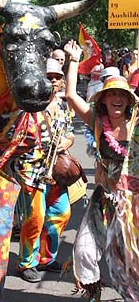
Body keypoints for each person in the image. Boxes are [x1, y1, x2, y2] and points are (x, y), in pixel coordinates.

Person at [64, 39, 138, 302]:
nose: (117, 98)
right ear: (104, 99)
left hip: (133, 206)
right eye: (112, 94)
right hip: (103, 201)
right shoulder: (97, 122)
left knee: (131, 264)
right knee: (84, 251)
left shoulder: (137, 124)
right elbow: (71, 96)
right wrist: (73, 60)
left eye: (121, 95)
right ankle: (93, 293)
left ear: (128, 100)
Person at [15, 58, 74, 283]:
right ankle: (26, 263)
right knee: (35, 218)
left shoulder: (62, 105)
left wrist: (67, 143)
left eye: (57, 77)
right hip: (31, 170)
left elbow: (69, 132)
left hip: (55, 170)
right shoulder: (25, 106)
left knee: (61, 213)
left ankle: (46, 258)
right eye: (49, 77)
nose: (54, 81)